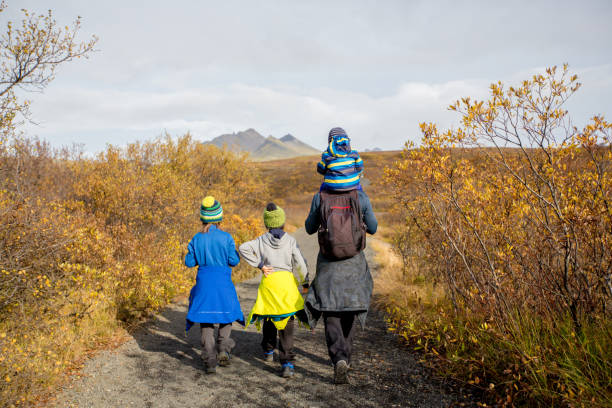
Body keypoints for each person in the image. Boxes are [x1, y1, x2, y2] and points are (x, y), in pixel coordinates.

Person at [304, 130, 378, 384]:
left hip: (328, 267)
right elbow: (375, 227)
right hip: (354, 266)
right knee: (349, 310)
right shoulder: (361, 196)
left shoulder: (320, 197)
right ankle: (345, 356)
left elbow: (309, 228)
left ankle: (339, 359)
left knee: (331, 313)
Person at [238, 203, 310, 378]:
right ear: (283, 222)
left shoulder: (261, 240)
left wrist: (260, 265)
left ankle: (269, 351)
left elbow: (242, 248)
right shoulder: (291, 241)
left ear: (267, 223)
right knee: (286, 323)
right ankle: (286, 363)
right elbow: (300, 263)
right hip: (286, 284)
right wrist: (305, 282)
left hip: (269, 283)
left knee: (269, 317)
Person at [184, 196, 244, 374]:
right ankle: (223, 348)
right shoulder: (226, 238)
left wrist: (187, 252)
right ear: (219, 218)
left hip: (204, 283)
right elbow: (233, 261)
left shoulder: (196, 238)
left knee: (205, 320)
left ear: (203, 218)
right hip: (223, 282)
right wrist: (234, 253)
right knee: (227, 315)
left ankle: (210, 360)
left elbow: (189, 262)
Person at [317, 127, 364, 192]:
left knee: (322, 188)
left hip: (332, 187)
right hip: (353, 185)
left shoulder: (327, 154)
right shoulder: (353, 152)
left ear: (330, 142)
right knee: (361, 191)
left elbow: (320, 170)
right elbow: (360, 167)